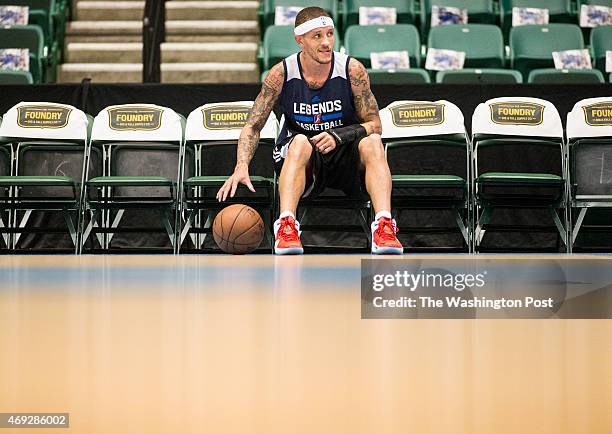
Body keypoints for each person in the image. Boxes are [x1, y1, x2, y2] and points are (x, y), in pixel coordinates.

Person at [216, 6, 403, 255]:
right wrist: (241, 165)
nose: (326, 42)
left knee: (373, 142)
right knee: (300, 141)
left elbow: (375, 124)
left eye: (329, 34)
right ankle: (286, 226)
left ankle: (383, 227)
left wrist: (341, 135)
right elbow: (252, 126)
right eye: (317, 36)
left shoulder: (352, 70)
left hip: (343, 154)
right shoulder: (281, 74)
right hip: (302, 160)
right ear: (300, 40)